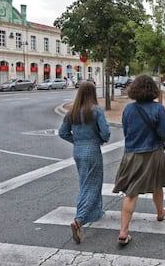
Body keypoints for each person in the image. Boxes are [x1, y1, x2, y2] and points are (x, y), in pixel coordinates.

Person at [112, 74, 165, 245]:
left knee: (131, 193)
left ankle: (123, 231)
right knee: (158, 183)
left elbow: (126, 130)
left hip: (132, 153)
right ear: (153, 90)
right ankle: (160, 213)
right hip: (153, 153)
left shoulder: (128, 109)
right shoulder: (158, 109)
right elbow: (164, 132)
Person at [58, 81, 111, 244]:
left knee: (85, 183)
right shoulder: (96, 111)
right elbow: (106, 133)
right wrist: (100, 140)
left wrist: (76, 141)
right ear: (93, 94)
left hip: (78, 151)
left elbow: (62, 133)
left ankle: (96, 212)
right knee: (93, 185)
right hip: (92, 150)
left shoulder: (71, 112)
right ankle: (79, 220)